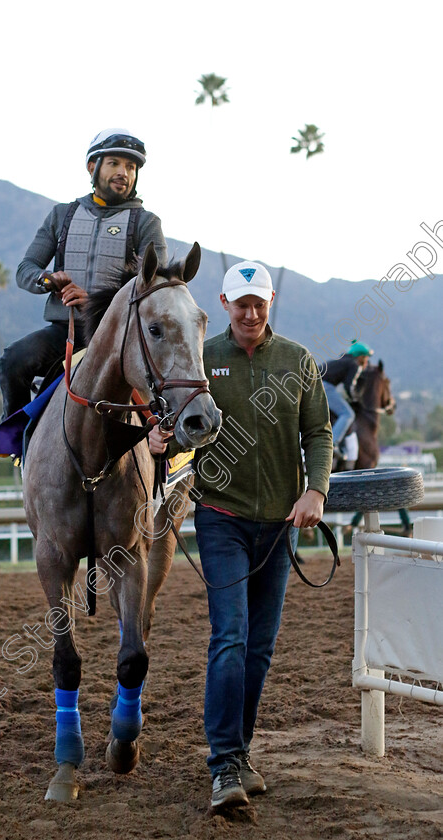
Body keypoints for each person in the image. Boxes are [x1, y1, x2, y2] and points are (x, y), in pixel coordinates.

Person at [149, 260, 333, 810]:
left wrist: (315, 492)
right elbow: (181, 426)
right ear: (224, 305)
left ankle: (241, 753)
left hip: (280, 526)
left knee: (260, 648)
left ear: (270, 301)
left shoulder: (297, 361)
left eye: (259, 303)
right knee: (230, 636)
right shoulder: (204, 360)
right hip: (222, 518)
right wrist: (163, 444)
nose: (251, 313)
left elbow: (318, 432)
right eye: (241, 304)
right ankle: (224, 763)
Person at [0, 128, 167, 419]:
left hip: (118, 335)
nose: (123, 173)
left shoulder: (146, 223)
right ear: (93, 166)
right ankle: (15, 438)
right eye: (114, 163)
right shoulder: (61, 215)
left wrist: (96, 301)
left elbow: (155, 286)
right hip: (66, 332)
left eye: (131, 167)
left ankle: (168, 453)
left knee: (164, 399)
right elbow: (26, 269)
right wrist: (48, 280)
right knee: (12, 361)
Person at [321, 340, 373, 460]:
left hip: (314, 383)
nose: (366, 361)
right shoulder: (354, 364)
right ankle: (332, 443)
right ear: (359, 356)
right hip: (323, 386)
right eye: (365, 357)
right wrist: (355, 399)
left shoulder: (343, 360)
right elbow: (349, 386)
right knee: (348, 414)